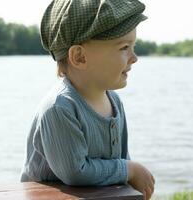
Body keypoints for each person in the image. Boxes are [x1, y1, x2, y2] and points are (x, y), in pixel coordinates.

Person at [20, 0, 155, 199]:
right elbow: (76, 172)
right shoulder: (60, 107)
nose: (134, 57)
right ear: (80, 57)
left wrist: (130, 182)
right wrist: (130, 170)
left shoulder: (114, 102)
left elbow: (121, 159)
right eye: (124, 47)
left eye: (134, 46)